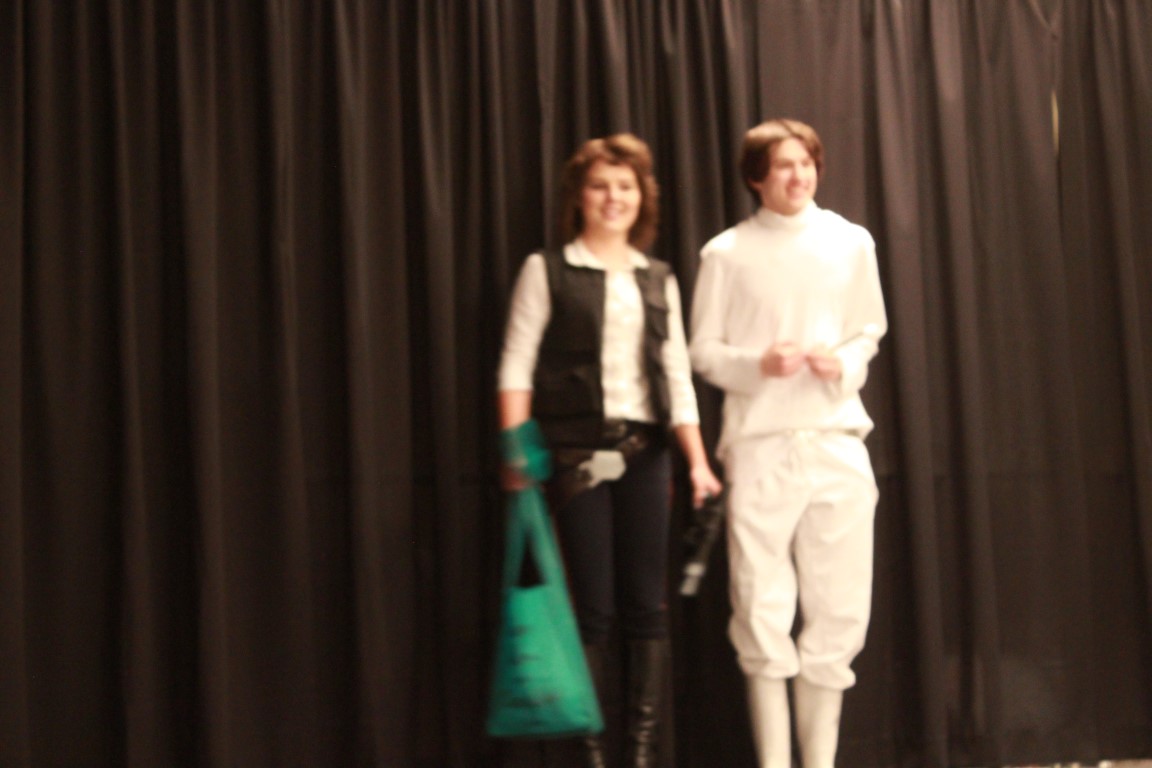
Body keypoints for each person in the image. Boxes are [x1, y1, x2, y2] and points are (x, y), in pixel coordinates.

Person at [498, 133, 722, 768]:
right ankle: (590, 755)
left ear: (641, 197)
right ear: (579, 196)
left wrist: (697, 462)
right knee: (592, 608)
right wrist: (516, 448)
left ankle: (641, 753)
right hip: (576, 459)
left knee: (647, 607)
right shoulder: (548, 269)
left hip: (646, 456)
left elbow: (676, 375)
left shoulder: (658, 277)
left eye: (625, 186)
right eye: (600, 186)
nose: (613, 197)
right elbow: (516, 363)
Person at [688, 118, 887, 768]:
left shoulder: (850, 242)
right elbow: (703, 350)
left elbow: (867, 329)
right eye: (782, 165)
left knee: (840, 608)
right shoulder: (726, 253)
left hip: (836, 439)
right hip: (760, 445)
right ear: (756, 177)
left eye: (805, 163)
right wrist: (757, 365)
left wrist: (843, 363)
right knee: (760, 605)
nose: (798, 176)